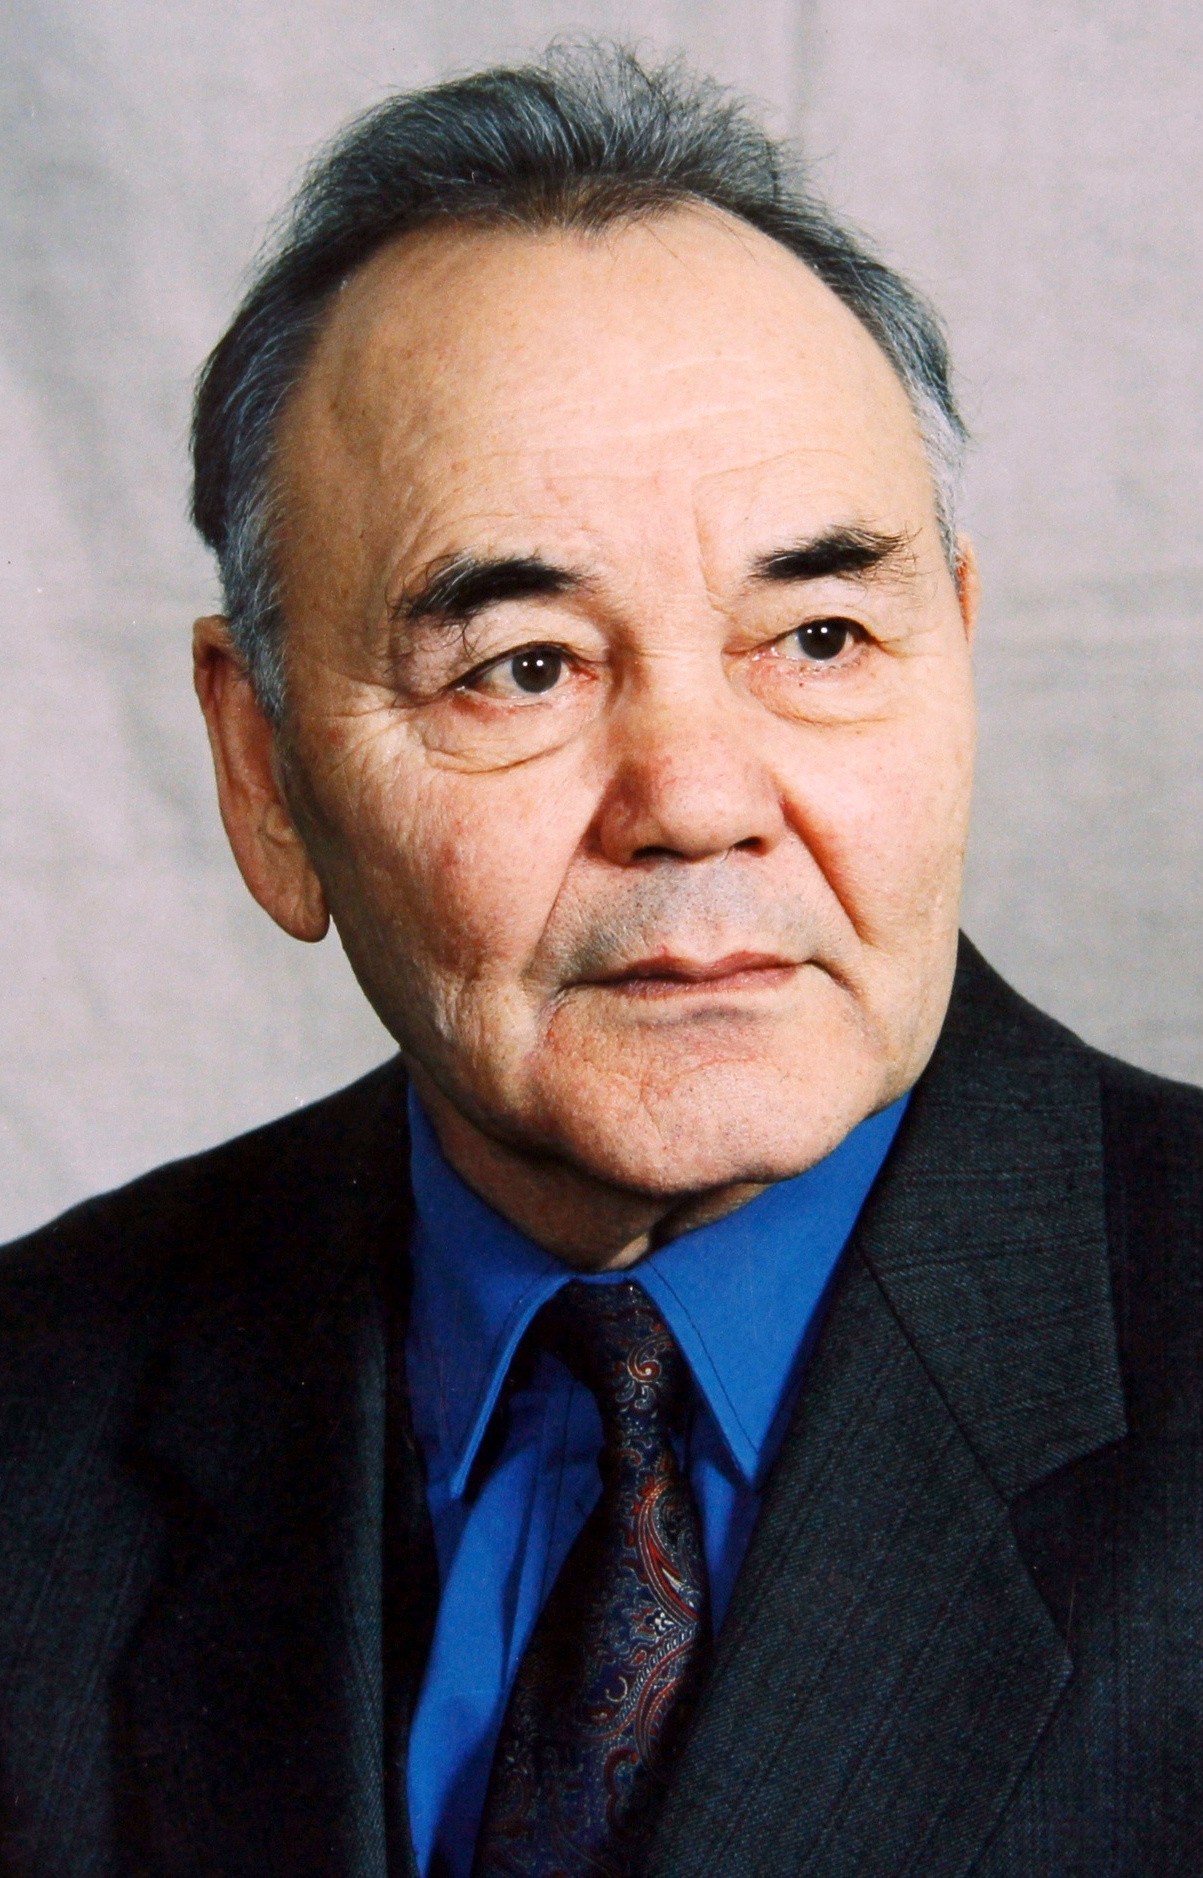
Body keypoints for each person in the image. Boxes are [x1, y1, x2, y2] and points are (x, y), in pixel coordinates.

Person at [2, 45, 1201, 1878]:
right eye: (527, 667)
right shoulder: (36, 1416)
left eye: (818, 635)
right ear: (262, 769)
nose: (700, 799)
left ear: (954, 655)